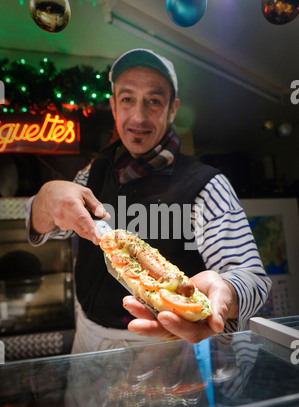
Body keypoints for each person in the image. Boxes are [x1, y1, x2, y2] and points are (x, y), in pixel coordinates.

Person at [25, 49, 271, 353]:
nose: (139, 116)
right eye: (127, 99)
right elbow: (49, 228)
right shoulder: (93, 171)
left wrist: (227, 295)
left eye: (154, 101)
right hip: (89, 340)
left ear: (172, 109)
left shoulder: (207, 184)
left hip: (170, 348)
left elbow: (253, 280)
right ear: (113, 106)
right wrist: (44, 200)